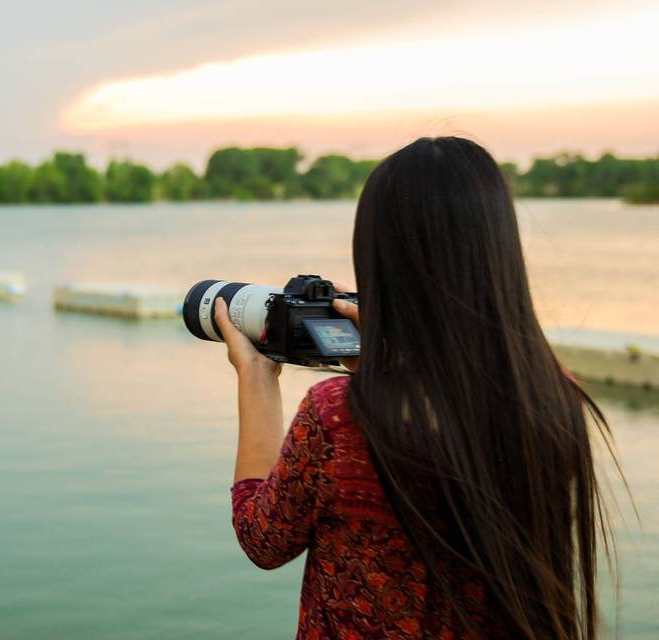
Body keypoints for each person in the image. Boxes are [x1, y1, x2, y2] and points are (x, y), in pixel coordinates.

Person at [214, 137, 619, 640]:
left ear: (380, 258)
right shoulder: (555, 398)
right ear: (498, 251)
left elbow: (263, 540)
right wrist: (390, 364)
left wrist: (255, 376)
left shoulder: (338, 416)